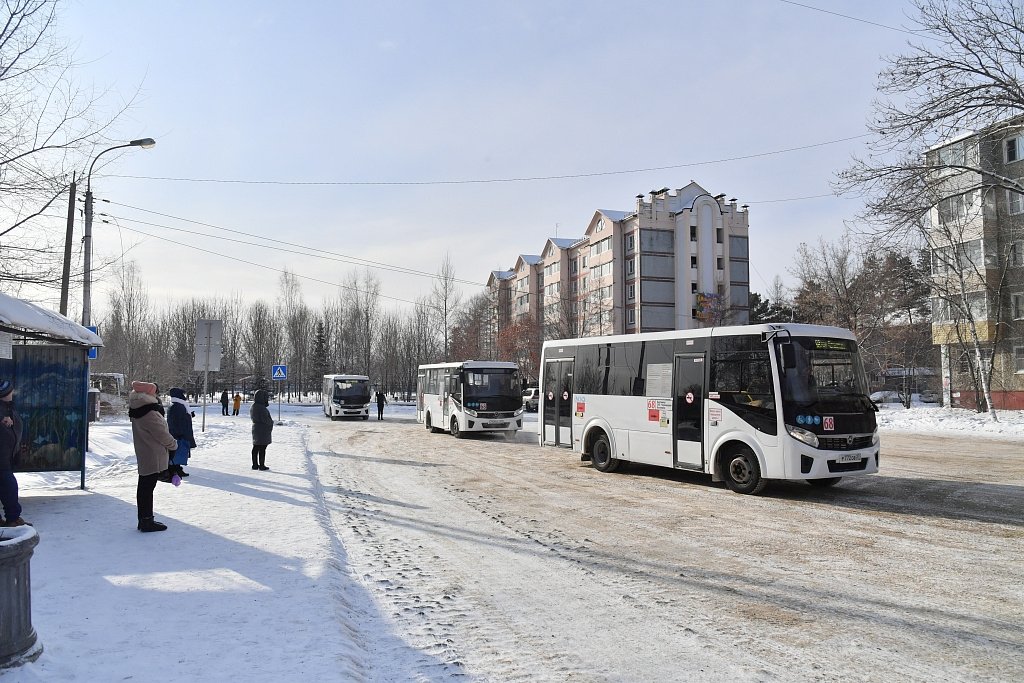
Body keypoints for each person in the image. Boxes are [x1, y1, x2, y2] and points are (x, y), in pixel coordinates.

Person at [128, 381, 178, 532]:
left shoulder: (138, 409)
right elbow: (162, 434)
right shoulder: (149, 412)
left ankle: (145, 519)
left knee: (145, 487)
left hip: (145, 452)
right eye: (155, 392)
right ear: (150, 394)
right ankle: (146, 521)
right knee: (146, 488)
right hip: (153, 454)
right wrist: (174, 445)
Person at [0, 379, 30, 527]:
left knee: (7, 486)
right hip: (2, 459)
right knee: (10, 487)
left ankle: (11, 519)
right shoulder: (3, 410)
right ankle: (13, 519)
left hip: (6, 457)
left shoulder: (8, 408)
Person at [167, 387, 196, 478]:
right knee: (178, 453)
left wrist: (189, 415)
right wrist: (180, 434)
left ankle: (177, 468)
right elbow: (176, 421)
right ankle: (175, 469)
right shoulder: (178, 406)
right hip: (179, 434)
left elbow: (181, 418)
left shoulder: (178, 405)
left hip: (180, 433)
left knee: (179, 452)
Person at [250, 389, 273, 471]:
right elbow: (265, 419)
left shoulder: (254, 406)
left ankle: (255, 465)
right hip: (262, 429)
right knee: (262, 447)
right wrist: (271, 422)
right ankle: (262, 465)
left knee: (256, 447)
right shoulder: (261, 408)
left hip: (256, 428)